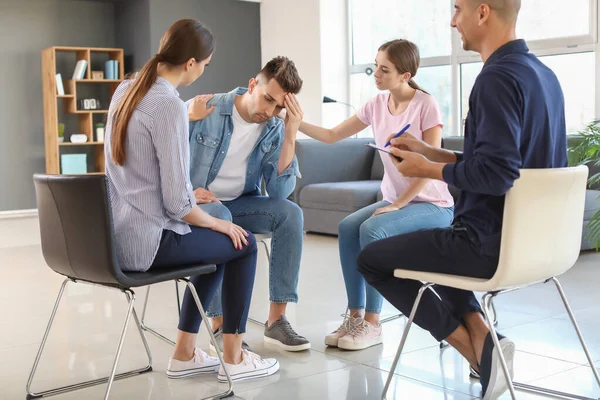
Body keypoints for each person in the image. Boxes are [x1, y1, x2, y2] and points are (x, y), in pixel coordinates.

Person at [357, 0, 567, 398]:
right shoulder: (544, 75)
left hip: (487, 244)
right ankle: (487, 339)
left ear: (482, 12)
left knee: (371, 259)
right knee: (439, 263)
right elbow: (511, 164)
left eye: (457, 10)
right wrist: (433, 153)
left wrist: (426, 171)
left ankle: (475, 349)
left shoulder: (495, 78)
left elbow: (497, 174)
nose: (453, 21)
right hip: (541, 245)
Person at [104, 19, 279, 383]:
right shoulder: (168, 104)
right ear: (191, 64)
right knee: (240, 242)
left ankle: (185, 352)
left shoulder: (126, 88)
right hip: (146, 245)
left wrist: (187, 193)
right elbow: (178, 206)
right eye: (206, 64)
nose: (203, 70)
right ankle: (233, 356)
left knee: (215, 245)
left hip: (113, 240)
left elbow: (142, 175)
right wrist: (219, 221)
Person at [296, 39, 454, 351]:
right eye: (376, 66)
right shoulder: (376, 105)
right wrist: (295, 121)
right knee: (347, 228)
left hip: (432, 203)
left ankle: (373, 322)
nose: (376, 74)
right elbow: (331, 136)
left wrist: (397, 204)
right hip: (395, 201)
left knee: (373, 228)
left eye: (385, 69)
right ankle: (354, 316)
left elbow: (431, 162)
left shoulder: (426, 104)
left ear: (405, 75)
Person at [186, 56, 310, 352]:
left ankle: (276, 321)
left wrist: (290, 132)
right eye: (268, 99)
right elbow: (164, 157)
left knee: (290, 214)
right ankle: (220, 325)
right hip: (198, 208)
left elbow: (280, 193)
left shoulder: (274, 127)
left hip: (242, 205)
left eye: (280, 107)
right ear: (253, 84)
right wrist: (187, 193)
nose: (270, 111)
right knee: (219, 215)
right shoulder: (206, 108)